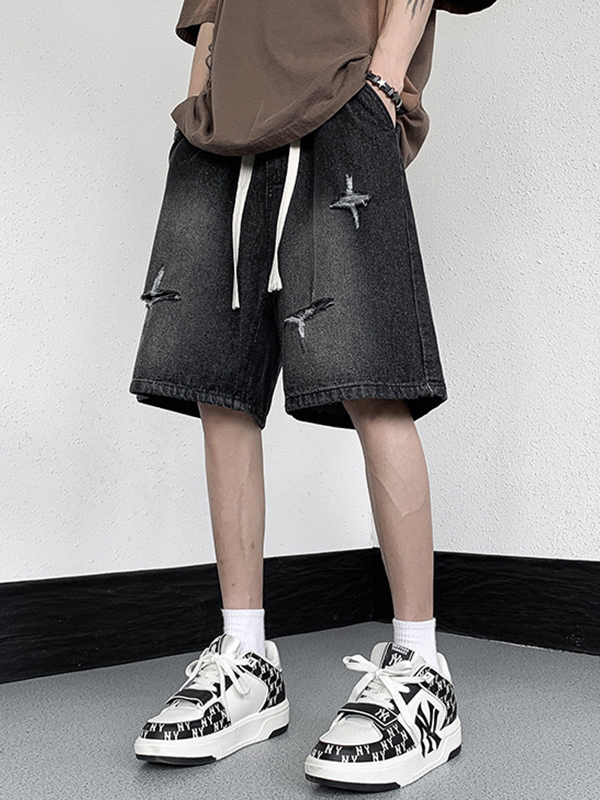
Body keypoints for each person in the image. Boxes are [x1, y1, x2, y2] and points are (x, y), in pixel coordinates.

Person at [129, 0, 498, 790]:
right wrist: (201, 93)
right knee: (220, 389)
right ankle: (246, 660)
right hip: (220, 124)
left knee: (373, 382)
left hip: (342, 96)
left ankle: (421, 669)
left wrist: (386, 79)